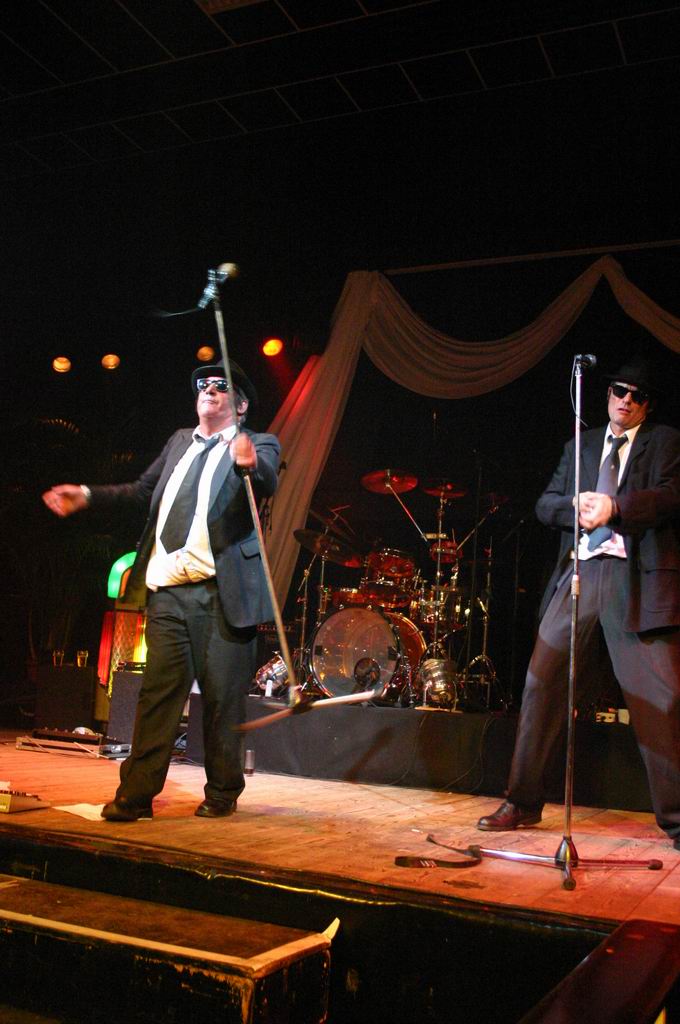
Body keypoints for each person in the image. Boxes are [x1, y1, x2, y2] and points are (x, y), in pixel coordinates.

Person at [43, 361, 280, 821]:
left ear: (241, 406)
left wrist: (250, 461)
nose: (209, 389)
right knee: (157, 697)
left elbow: (267, 479)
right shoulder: (179, 442)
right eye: (204, 385)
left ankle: (223, 790)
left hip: (221, 594)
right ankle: (135, 795)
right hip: (168, 591)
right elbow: (141, 490)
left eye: (221, 385)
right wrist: (88, 494)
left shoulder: (258, 443)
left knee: (221, 699)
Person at [477, 359, 680, 851]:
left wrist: (617, 507)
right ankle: (523, 801)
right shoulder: (581, 444)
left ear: (647, 404)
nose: (625, 400)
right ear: (607, 394)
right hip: (581, 576)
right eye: (618, 391)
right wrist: (575, 505)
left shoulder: (665, 442)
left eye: (636, 395)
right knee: (541, 683)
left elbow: (670, 496)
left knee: (660, 699)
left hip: (635, 579)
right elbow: (545, 503)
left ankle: (678, 820)